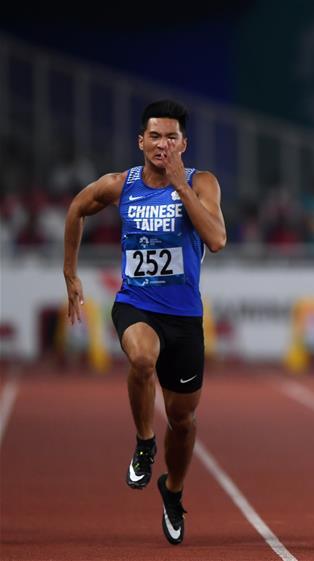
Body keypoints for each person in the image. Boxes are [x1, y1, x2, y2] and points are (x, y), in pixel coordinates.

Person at [63, 100, 226, 544]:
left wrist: (180, 187)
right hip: (136, 304)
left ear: (184, 144)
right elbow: (77, 209)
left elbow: (216, 239)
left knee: (185, 420)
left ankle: (172, 490)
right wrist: (71, 273)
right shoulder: (121, 184)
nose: (162, 144)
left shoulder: (201, 182)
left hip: (185, 317)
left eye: (171, 137)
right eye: (155, 136)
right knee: (141, 358)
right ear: (141, 141)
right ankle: (144, 441)